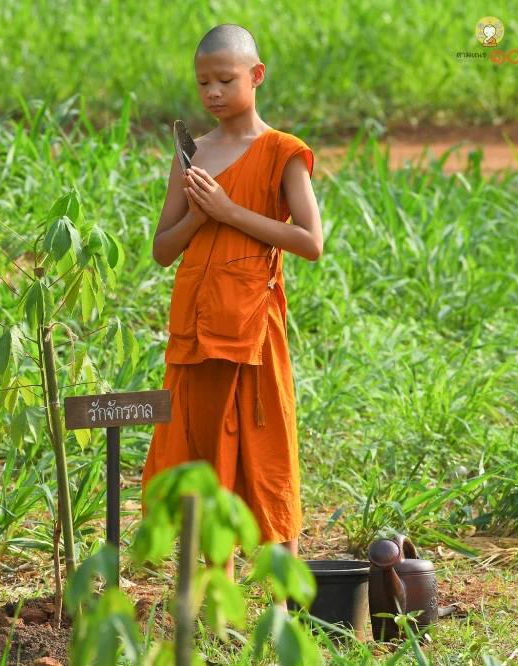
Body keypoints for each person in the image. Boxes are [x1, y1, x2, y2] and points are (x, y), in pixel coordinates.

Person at [142, 24, 324, 596]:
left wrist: (227, 210)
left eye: (225, 79)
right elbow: (162, 250)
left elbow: (310, 241)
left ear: (256, 76)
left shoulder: (282, 152)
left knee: (267, 450)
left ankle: (285, 596)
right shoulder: (192, 154)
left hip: (252, 327)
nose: (213, 92)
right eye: (203, 83)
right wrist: (200, 215)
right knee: (203, 450)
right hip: (196, 328)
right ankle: (214, 598)